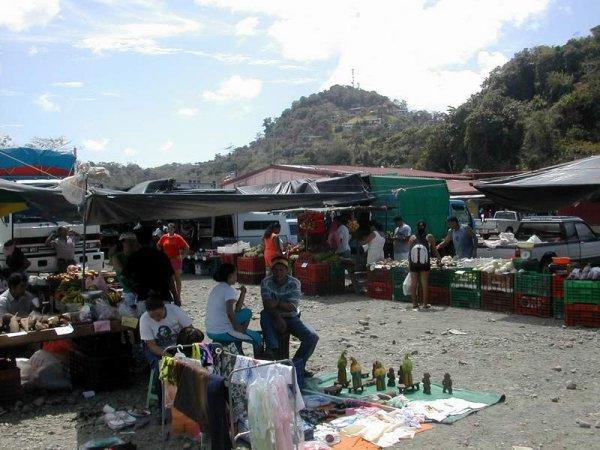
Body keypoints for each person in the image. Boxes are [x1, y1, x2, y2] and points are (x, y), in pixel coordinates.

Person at [260, 257, 319, 374]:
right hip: (272, 316)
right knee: (265, 315)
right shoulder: (266, 282)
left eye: (281, 270)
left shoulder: (294, 283)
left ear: (287, 270)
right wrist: (278, 316)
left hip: (291, 317)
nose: (278, 273)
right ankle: (272, 349)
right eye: (275, 270)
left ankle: (296, 365)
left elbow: (292, 306)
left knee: (312, 337)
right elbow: (267, 305)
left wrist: (276, 303)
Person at [139, 292, 194, 404]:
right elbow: (152, 346)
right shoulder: (144, 319)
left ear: (164, 308)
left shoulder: (175, 311)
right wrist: (170, 357)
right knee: (162, 369)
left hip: (178, 346)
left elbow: (190, 330)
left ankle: (189, 397)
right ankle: (164, 404)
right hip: (157, 350)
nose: (156, 319)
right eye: (152, 316)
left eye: (159, 315)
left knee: (193, 364)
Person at [205, 263, 262, 354]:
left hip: (210, 330)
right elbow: (230, 312)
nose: (237, 276)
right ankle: (259, 360)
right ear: (230, 276)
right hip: (221, 331)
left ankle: (239, 339)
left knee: (247, 312)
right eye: (236, 274)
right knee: (257, 338)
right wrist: (236, 327)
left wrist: (243, 293)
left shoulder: (217, 288)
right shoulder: (229, 290)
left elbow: (237, 309)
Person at [122, 227, 180, 306]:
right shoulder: (161, 255)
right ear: (151, 240)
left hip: (143, 298)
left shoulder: (133, 257)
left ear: (137, 241)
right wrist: (176, 297)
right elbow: (170, 279)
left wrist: (135, 288)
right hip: (163, 296)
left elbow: (124, 278)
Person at [408, 221, 441, 309]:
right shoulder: (429, 237)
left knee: (414, 283)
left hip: (413, 264)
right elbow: (434, 250)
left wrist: (409, 263)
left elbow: (410, 251)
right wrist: (439, 259)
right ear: (425, 227)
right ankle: (425, 304)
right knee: (424, 283)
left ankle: (414, 304)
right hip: (425, 263)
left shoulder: (412, 237)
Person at [157, 223, 189, 299]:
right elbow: (158, 245)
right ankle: (170, 296)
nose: (170, 230)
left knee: (177, 278)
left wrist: (182, 256)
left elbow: (186, 247)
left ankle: (178, 296)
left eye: (172, 229)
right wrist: (161, 254)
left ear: (174, 229)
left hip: (176, 260)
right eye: (169, 228)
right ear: (167, 229)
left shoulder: (178, 237)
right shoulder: (164, 237)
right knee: (169, 278)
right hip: (167, 261)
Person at [110, 232, 140, 307]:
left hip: (141, 292)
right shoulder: (117, 257)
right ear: (122, 243)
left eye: (133, 241)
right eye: (128, 241)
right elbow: (123, 272)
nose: (131, 244)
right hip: (129, 292)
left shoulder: (139, 255)